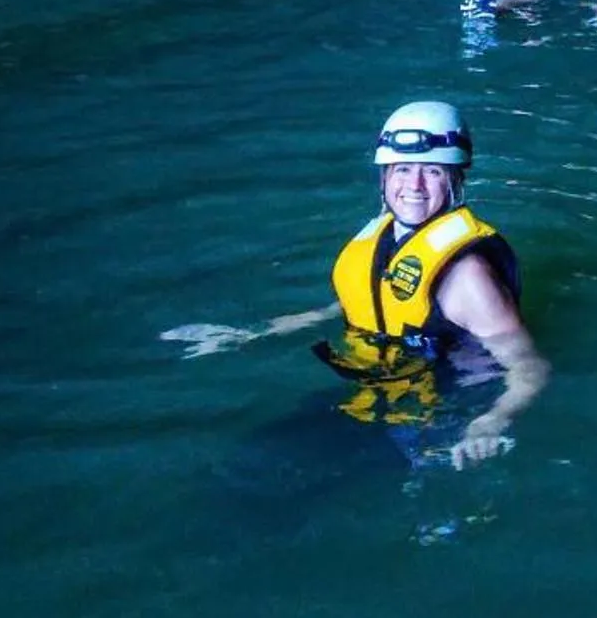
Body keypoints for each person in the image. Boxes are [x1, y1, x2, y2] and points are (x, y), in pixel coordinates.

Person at [161, 99, 550, 467]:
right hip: (377, 389)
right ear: (384, 176)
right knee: (252, 456)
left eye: (431, 171)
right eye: (402, 169)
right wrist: (248, 335)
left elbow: (529, 368)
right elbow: (348, 306)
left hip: (439, 411)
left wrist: (491, 422)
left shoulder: (468, 277)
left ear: (454, 181)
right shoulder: (385, 240)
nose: (414, 185)